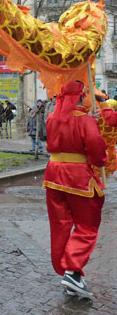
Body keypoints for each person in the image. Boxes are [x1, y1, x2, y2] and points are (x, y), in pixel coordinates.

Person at [43, 81, 106, 298]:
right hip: (78, 178)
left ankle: (70, 273)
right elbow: (97, 150)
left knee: (59, 226)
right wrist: (102, 160)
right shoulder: (85, 119)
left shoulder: (52, 118)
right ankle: (72, 268)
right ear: (80, 97)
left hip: (53, 175)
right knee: (87, 226)